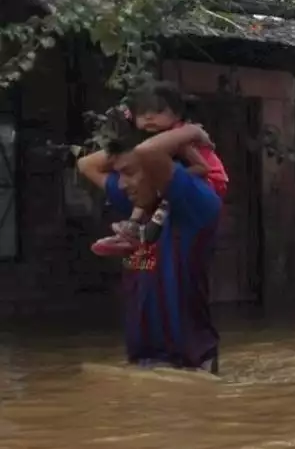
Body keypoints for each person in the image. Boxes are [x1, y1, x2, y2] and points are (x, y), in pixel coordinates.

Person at [75, 120, 222, 372]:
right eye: (118, 173)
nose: (120, 184)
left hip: (189, 368)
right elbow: (86, 164)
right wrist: (130, 145)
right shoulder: (138, 202)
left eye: (129, 172)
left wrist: (193, 131)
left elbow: (148, 152)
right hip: (144, 364)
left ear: (160, 167)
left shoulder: (195, 203)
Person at [90, 82, 228, 257]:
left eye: (158, 111)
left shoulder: (179, 137)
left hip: (209, 182)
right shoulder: (152, 139)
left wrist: (165, 180)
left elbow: (203, 168)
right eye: (142, 113)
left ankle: (138, 231)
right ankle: (132, 229)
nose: (148, 117)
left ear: (177, 114)